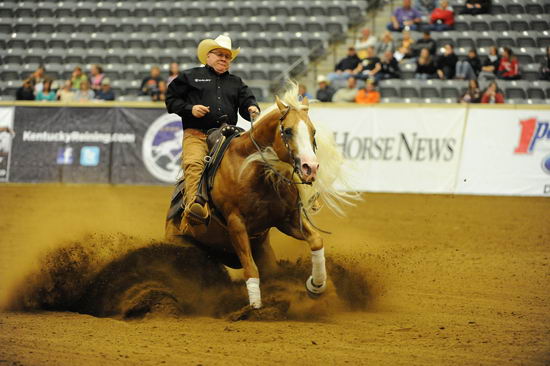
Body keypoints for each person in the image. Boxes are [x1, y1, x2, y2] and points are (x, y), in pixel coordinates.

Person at [165, 35, 260, 225]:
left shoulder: (236, 82)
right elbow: (171, 99)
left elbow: (246, 100)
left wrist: (252, 107)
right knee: (194, 164)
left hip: (228, 136)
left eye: (227, 56)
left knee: (251, 163)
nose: (224, 58)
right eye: (219, 54)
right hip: (197, 135)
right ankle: (194, 205)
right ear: (208, 56)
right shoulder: (189, 76)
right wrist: (190, 109)